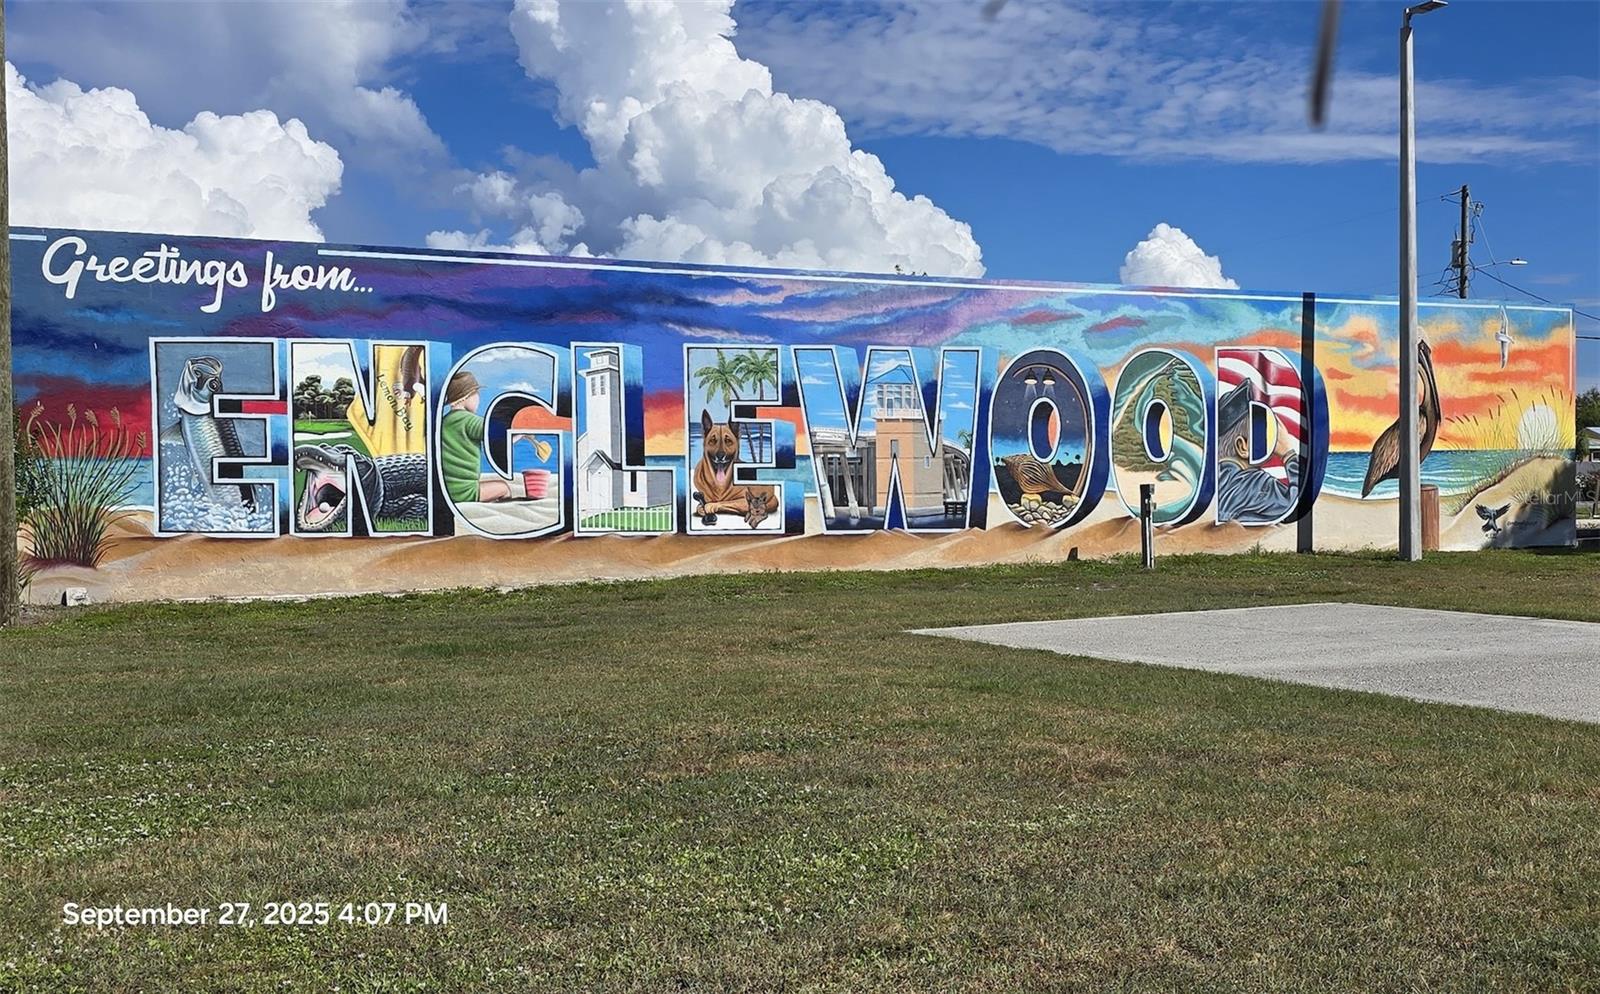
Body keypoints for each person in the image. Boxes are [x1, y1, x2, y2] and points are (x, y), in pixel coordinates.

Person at [1215, 381, 1300, 524]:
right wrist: (1288, 454)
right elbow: (1298, 506)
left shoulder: (1211, 480)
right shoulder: (1256, 484)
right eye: (1259, 435)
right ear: (1242, 447)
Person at [439, 371, 511, 504]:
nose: (478, 399)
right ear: (466, 396)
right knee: (504, 488)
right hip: (464, 491)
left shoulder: (445, 421)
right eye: (477, 393)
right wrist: (520, 433)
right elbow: (498, 435)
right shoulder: (468, 420)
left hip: (446, 489)